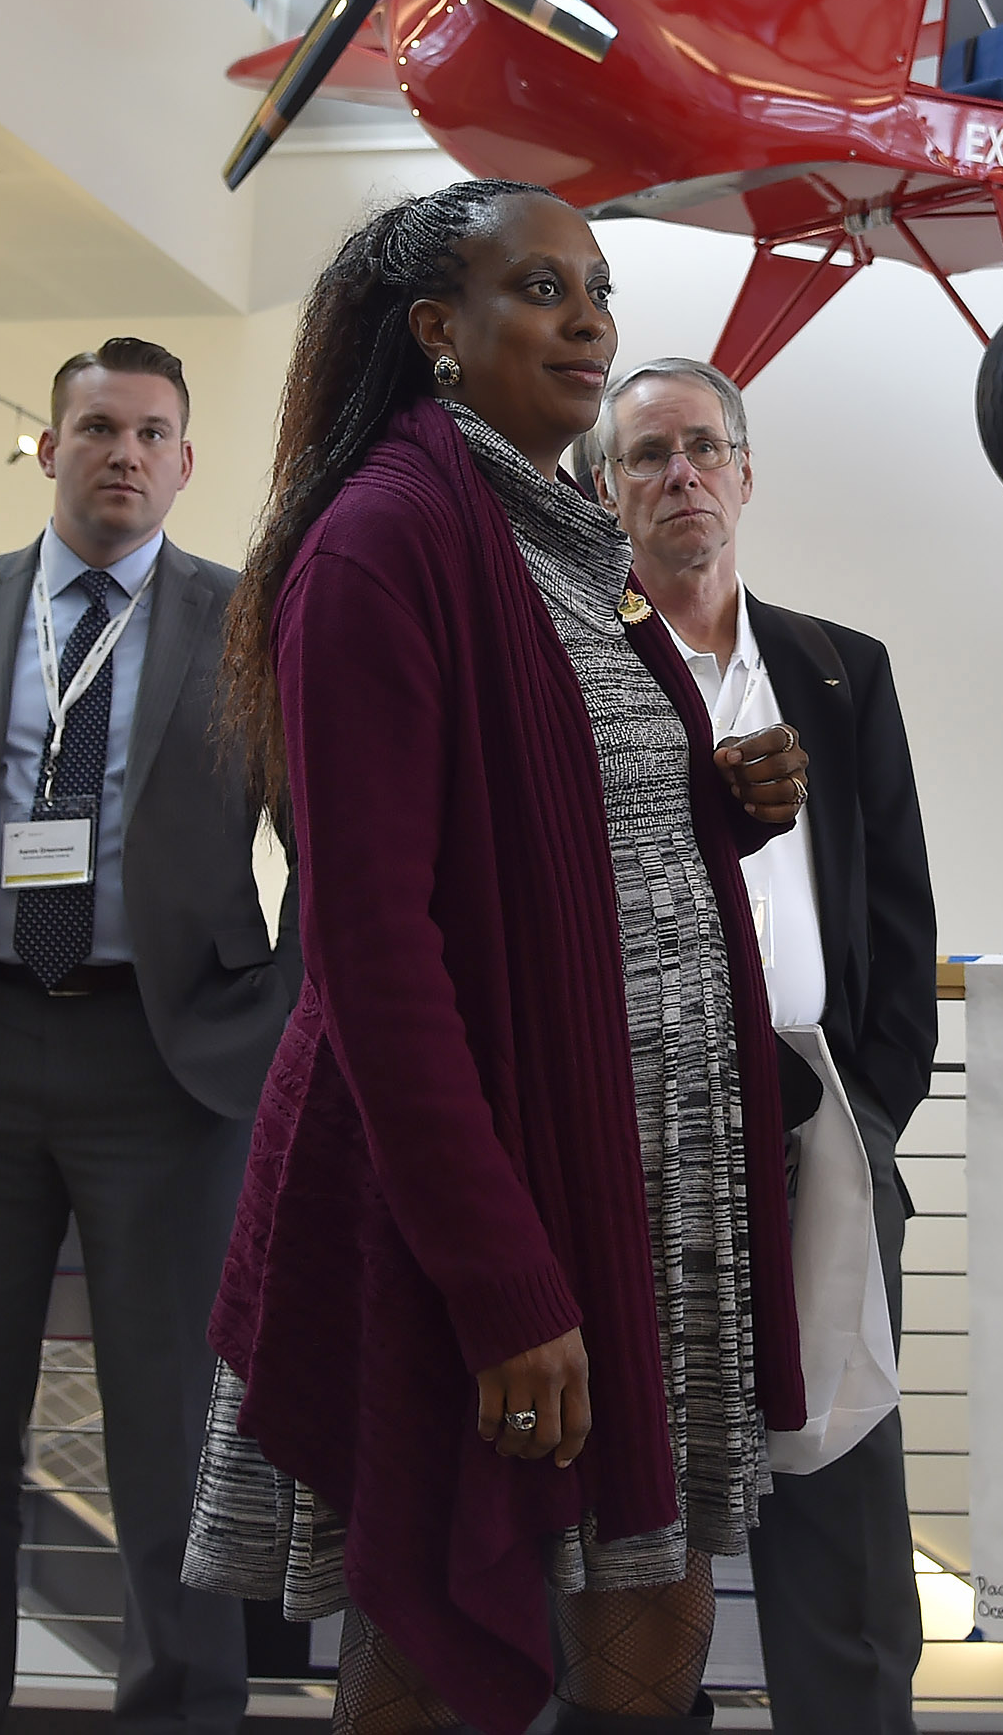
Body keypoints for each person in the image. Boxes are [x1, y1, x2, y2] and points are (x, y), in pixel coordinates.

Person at [182, 179, 810, 1735]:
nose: (590, 318)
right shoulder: (384, 538)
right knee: (436, 1608)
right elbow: (376, 945)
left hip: (647, 1176)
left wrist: (708, 812)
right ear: (437, 335)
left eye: (597, 286)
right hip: (489, 1192)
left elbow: (541, 836)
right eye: (540, 289)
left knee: (653, 1594)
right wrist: (502, 1279)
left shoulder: (564, 533)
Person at [0, 336, 297, 1734]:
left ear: (183, 459)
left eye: (154, 432)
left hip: (167, 1066)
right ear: (48, 447)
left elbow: (336, 846)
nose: (125, 453)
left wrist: (272, 1019)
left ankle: (185, 1712)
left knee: (171, 1444)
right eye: (98, 426)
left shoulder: (249, 625)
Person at [596, 356, 939, 1732]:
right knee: (642, 1512)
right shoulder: (583, 674)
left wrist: (879, 1107)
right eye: (644, 457)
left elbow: (899, 908)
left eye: (701, 447)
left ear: (744, 473)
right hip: (636, 1130)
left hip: (825, 1132)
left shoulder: (842, 671)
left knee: (844, 1510)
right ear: (605, 494)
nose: (679, 473)